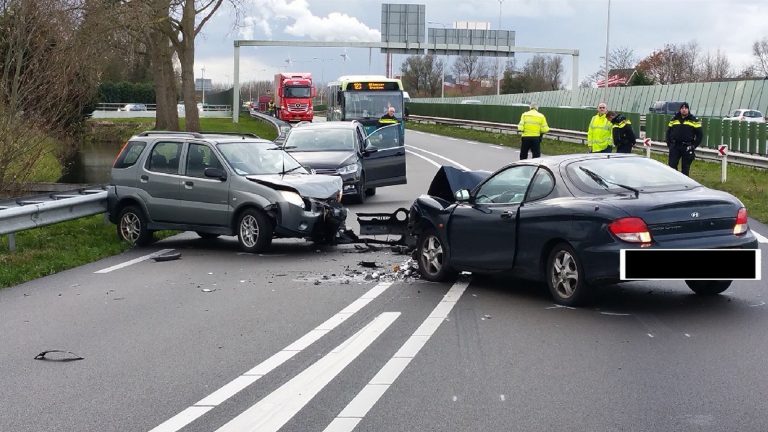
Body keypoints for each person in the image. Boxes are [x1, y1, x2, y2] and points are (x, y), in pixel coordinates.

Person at [666, 102, 702, 176]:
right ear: (680, 110)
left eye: (686, 108)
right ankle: (674, 181)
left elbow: (700, 135)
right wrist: (670, 145)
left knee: (685, 168)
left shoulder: (694, 120)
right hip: (675, 146)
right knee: (672, 166)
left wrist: (693, 146)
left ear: (688, 110)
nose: (684, 110)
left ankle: (684, 183)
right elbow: (668, 132)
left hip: (687, 147)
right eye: (682, 108)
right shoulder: (674, 119)